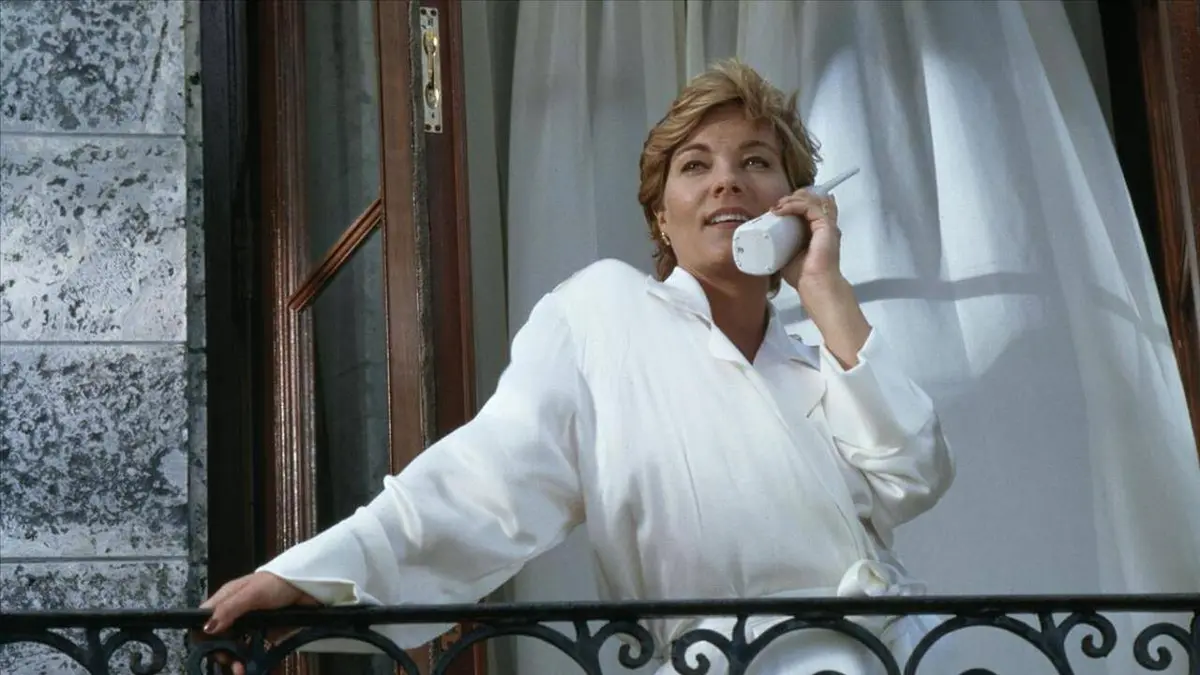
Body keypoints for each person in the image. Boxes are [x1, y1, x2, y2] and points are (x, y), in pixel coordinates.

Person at [201, 60, 954, 675]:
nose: (726, 181)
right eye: (696, 165)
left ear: (794, 206)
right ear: (661, 216)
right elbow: (484, 481)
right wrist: (314, 576)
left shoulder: (818, 367)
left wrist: (824, 288)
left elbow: (914, 474)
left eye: (755, 162)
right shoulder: (604, 311)